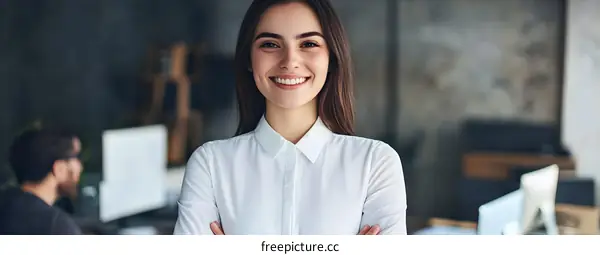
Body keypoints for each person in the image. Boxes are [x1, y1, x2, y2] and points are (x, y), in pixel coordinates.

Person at [174, 0, 406, 235]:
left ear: (331, 59)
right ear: (248, 60)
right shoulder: (210, 165)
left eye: (308, 43)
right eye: (270, 44)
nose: (289, 61)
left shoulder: (375, 163)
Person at [0, 128, 84, 235]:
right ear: (59, 169)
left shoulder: (6, 207)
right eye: (77, 157)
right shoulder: (56, 227)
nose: (80, 167)